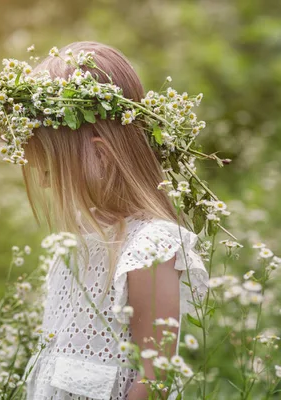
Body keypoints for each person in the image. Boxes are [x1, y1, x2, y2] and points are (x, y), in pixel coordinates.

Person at [19, 42, 209, 400]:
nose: (43, 181)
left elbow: (153, 380)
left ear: (100, 155)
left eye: (50, 167)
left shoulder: (149, 247)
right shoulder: (81, 240)